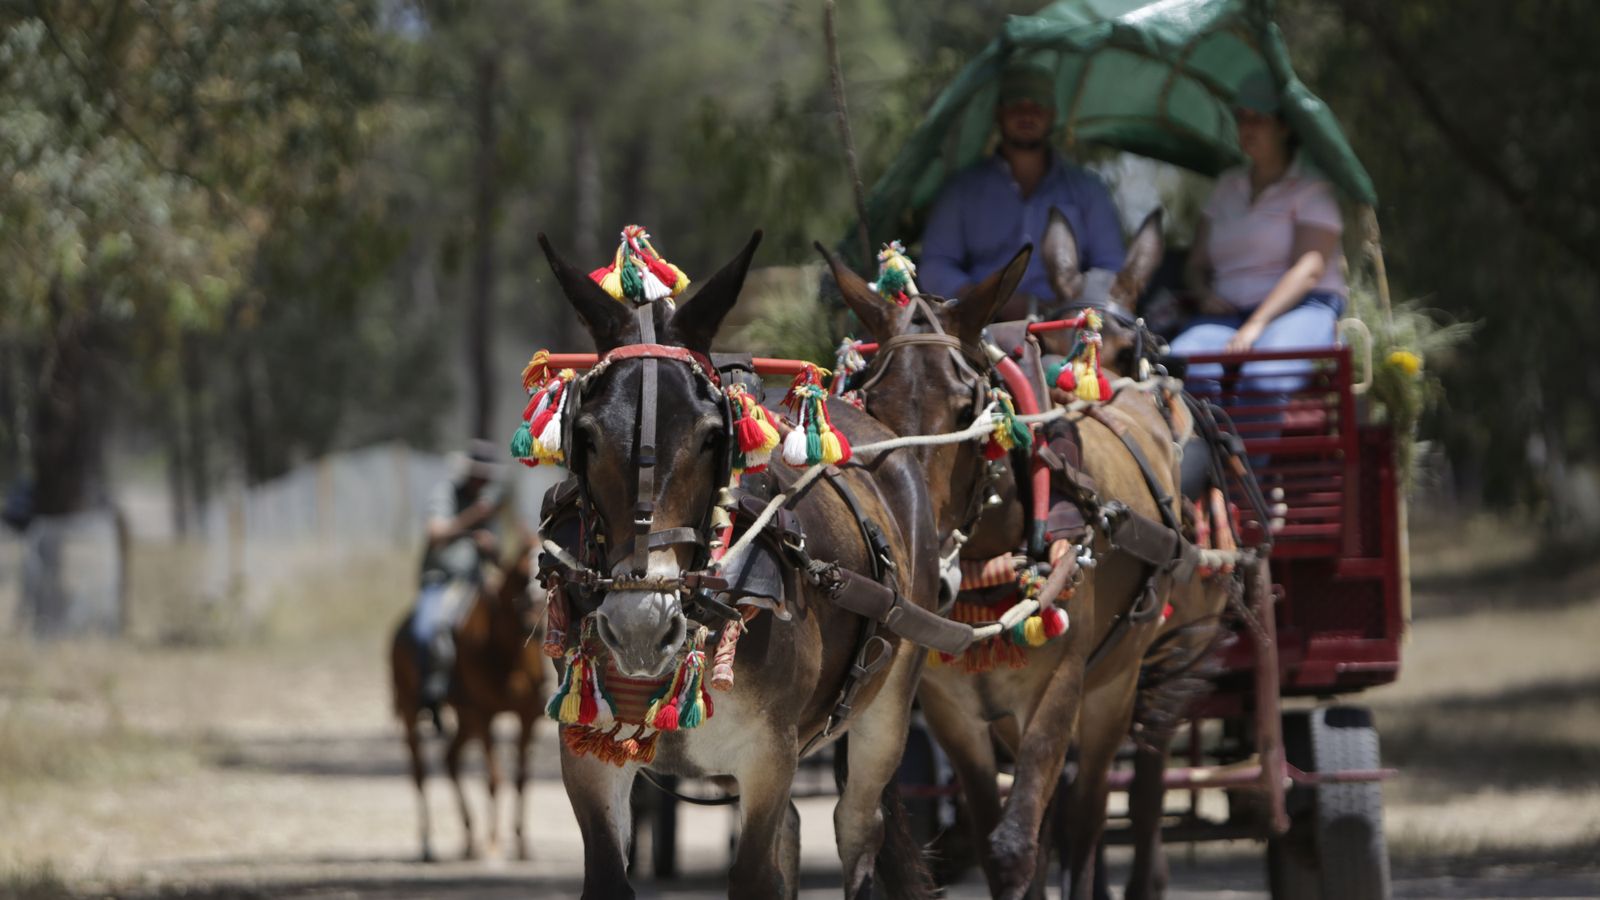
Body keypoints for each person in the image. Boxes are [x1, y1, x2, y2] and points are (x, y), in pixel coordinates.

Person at [1169, 70, 1347, 394]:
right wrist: (1205, 295)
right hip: (1228, 314)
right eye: (1242, 118)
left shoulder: (1313, 189)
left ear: (1285, 126)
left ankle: (1249, 446)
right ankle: (1205, 444)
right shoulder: (1226, 186)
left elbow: (1309, 270)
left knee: (1264, 377)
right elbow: (1195, 264)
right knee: (1177, 366)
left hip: (1302, 308)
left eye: (1259, 119)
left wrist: (1255, 326)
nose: (1247, 128)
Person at [919, 59, 1126, 315]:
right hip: (979, 325)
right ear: (998, 113)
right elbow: (935, 264)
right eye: (1016, 105)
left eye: (1038, 106)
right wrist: (983, 298)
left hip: (1067, 324)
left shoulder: (1088, 189)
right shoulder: (961, 190)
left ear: (1053, 115)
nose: (1027, 114)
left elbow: (1111, 266)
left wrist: (1074, 301)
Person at [410, 439, 506, 716]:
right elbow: (436, 534)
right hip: (442, 580)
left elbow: (498, 553)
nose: (483, 479)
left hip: (476, 580)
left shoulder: (487, 501)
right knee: (431, 628)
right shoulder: (447, 494)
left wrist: (491, 547)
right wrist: (471, 520)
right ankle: (433, 690)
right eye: (479, 473)